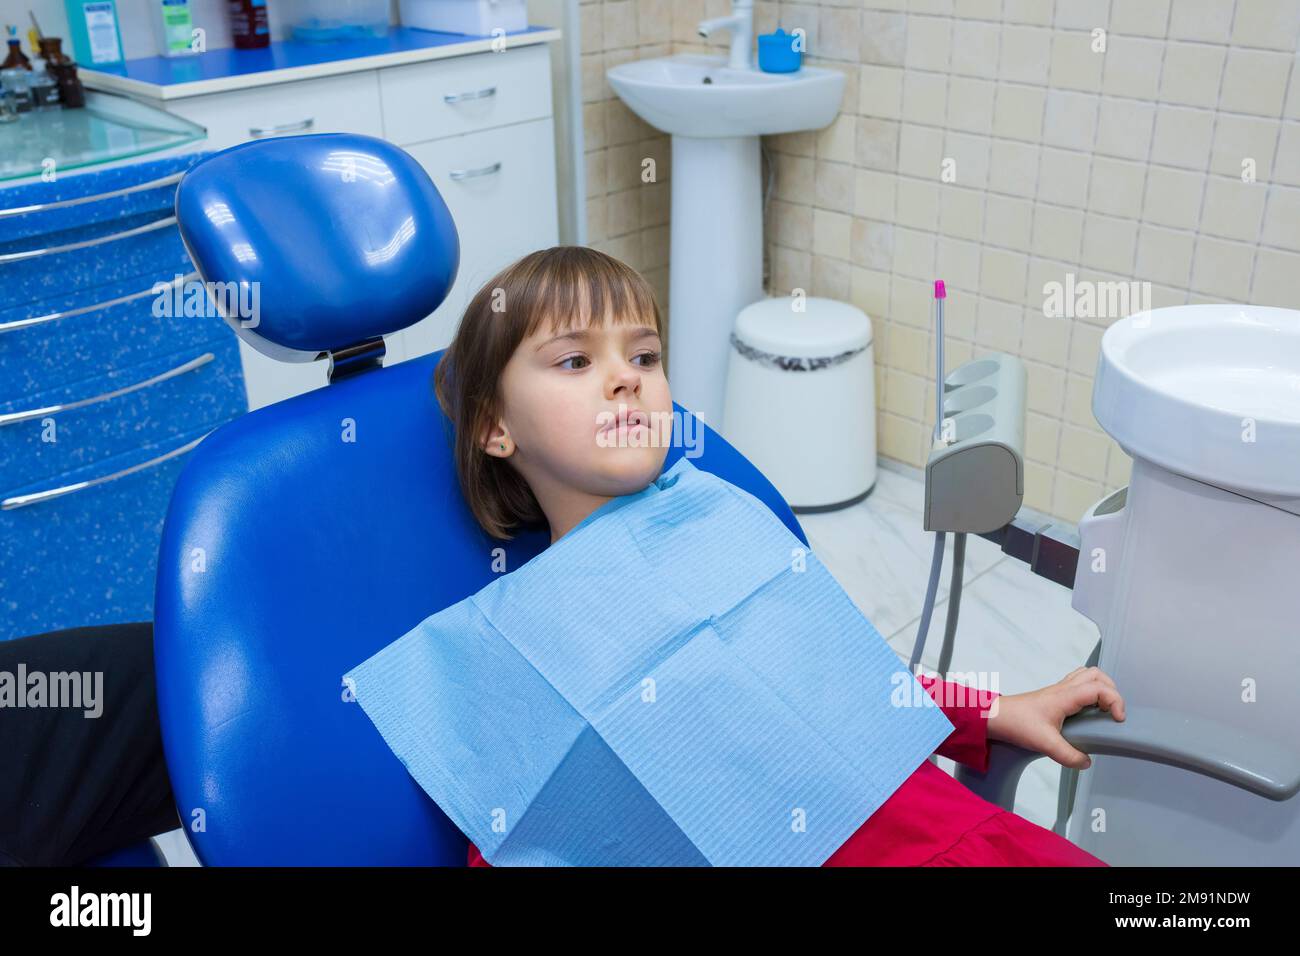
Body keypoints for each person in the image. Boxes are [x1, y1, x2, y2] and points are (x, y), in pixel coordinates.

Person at [431, 246, 1121, 866]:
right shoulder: (525, 637)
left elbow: (838, 678)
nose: (626, 379)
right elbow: (523, 823)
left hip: (958, 836)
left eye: (644, 357)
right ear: (496, 426)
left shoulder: (720, 521)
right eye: (576, 361)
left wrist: (991, 711)